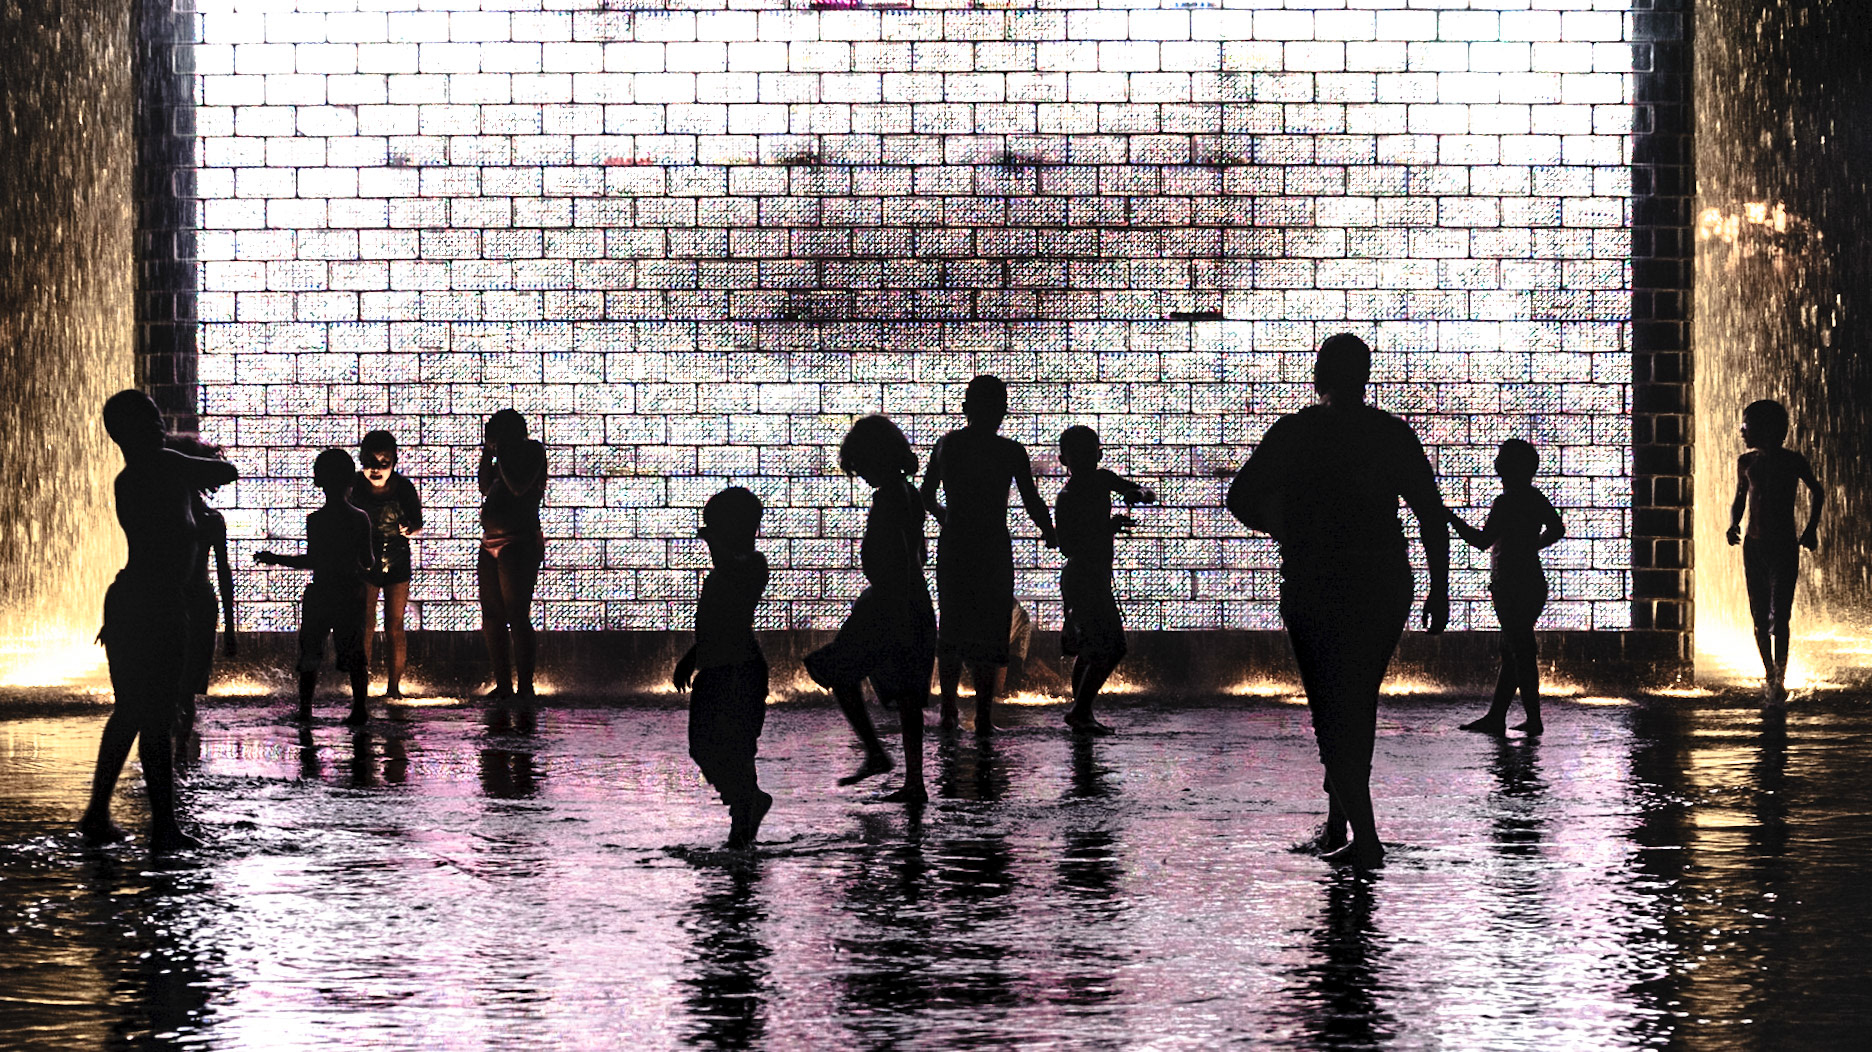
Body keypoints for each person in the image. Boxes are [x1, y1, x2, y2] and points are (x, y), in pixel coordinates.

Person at [1226, 333, 1450, 871]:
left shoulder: (1296, 432)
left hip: (1315, 577)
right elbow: (1430, 512)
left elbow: (1240, 497)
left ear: (1318, 376)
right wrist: (1439, 588)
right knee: (1357, 701)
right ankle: (1338, 824)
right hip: (1381, 579)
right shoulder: (1389, 433)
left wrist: (1284, 526)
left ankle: (1365, 836)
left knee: (1330, 706)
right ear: (1366, 376)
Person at [80, 391, 238, 851]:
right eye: (148, 420)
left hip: (134, 601)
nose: (158, 425)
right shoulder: (163, 465)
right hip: (156, 604)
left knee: (133, 712)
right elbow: (226, 472)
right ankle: (160, 827)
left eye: (156, 417)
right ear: (123, 433)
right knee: (153, 714)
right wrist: (183, 452)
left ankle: (100, 814)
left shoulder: (133, 476)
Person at [805, 415, 938, 802]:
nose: (859, 474)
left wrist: (884, 592)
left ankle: (875, 751)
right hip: (912, 601)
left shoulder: (888, 498)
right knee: (909, 694)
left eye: (860, 464)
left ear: (875, 458)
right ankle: (914, 781)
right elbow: (920, 554)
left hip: (888, 603)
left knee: (836, 668)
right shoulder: (910, 493)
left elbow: (897, 555)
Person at [920, 375, 1057, 734]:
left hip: (956, 543)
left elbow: (926, 495)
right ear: (1002, 411)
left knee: (953, 624)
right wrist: (1050, 531)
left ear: (966, 408)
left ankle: (949, 711)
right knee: (992, 628)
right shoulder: (1010, 451)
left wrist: (945, 516)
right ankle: (982, 716)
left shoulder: (947, 446)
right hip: (993, 546)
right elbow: (1032, 501)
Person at [673, 487, 773, 848]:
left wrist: (716, 544)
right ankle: (746, 802)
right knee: (702, 746)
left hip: (740, 672)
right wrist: (692, 656)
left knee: (738, 748)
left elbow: (733, 578)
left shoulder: (753, 565)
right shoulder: (722, 572)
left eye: (715, 529)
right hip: (714, 670)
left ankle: (742, 819)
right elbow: (715, 623)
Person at [1449, 439, 1565, 735]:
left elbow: (1481, 541)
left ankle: (1532, 720)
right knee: (1514, 650)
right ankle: (1498, 716)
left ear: (1511, 466)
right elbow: (1557, 528)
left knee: (1520, 652)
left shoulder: (1506, 502)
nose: (1496, 461)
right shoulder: (1534, 497)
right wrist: (1532, 547)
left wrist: (1449, 518)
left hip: (1511, 584)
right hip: (1532, 581)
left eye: (1501, 456)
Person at [256, 448, 374, 725]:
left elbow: (312, 561)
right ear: (351, 481)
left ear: (318, 481)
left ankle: (306, 709)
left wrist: (276, 558)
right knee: (355, 653)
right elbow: (368, 561)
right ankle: (359, 709)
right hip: (349, 593)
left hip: (321, 592)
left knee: (310, 652)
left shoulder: (316, 520)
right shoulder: (360, 518)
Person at [1054, 425, 1156, 734]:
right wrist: (1106, 529)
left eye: (1089, 453)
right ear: (1064, 460)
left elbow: (1146, 491)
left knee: (1091, 647)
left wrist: (1136, 494)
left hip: (1089, 576)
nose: (1086, 459)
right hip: (1084, 578)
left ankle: (1082, 713)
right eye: (1080, 454)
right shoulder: (1068, 497)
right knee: (1113, 646)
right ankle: (1080, 711)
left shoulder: (1102, 481)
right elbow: (1068, 546)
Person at [1726, 398, 1822, 707]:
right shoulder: (1746, 462)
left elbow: (1818, 491)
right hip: (1753, 546)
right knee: (1758, 617)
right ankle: (1770, 674)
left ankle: (1780, 677)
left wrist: (1810, 529)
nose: (1742, 432)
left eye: (1746, 426)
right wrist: (1733, 524)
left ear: (1766, 429)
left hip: (1783, 546)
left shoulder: (1792, 461)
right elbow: (1740, 497)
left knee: (1780, 616)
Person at [167, 434, 237, 732]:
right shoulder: (211, 519)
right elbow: (223, 575)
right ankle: (184, 747)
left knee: (175, 684)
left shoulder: (166, 516)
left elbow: (224, 573)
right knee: (186, 688)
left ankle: (175, 747)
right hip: (197, 602)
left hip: (176, 601)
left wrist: (231, 628)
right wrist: (230, 628)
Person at [479, 409, 548, 698]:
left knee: (517, 614)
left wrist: (503, 453)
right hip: (490, 542)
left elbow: (518, 487)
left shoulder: (532, 451)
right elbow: (485, 487)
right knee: (492, 615)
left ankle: (525, 686)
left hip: (518, 541)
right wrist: (487, 454)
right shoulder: (499, 457)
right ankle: (503, 684)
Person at [353, 430, 423, 698]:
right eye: (371, 462)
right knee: (366, 625)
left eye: (384, 463)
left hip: (397, 557)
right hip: (365, 560)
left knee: (394, 625)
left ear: (394, 462)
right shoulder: (355, 486)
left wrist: (410, 527)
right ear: (361, 460)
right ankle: (362, 685)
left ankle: (394, 687)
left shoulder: (403, 488)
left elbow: (417, 521)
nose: (377, 469)